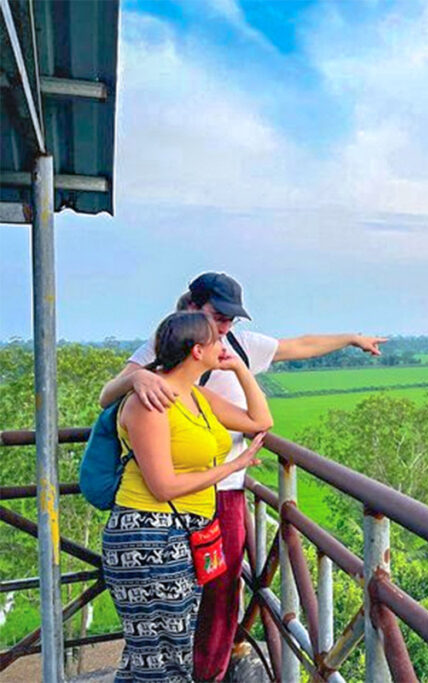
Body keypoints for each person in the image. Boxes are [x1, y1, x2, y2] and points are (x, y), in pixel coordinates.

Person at [99, 272, 387, 681]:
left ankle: (209, 673)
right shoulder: (160, 355)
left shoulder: (227, 358)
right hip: (160, 515)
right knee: (161, 633)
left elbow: (297, 348)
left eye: (233, 320)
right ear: (194, 308)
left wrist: (351, 338)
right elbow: (108, 396)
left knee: (219, 593)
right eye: (219, 317)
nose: (227, 328)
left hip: (221, 496)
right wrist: (136, 376)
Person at [102, 310, 273, 683]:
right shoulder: (151, 401)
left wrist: (241, 371)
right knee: (162, 658)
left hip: (182, 535)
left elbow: (261, 421)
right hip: (148, 536)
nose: (224, 345)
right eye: (216, 340)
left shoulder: (196, 395)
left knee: (158, 654)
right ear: (197, 350)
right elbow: (162, 486)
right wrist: (233, 466)